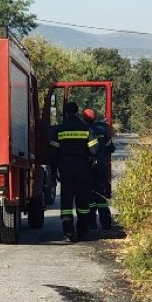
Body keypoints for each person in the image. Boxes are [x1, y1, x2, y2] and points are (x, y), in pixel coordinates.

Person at [49, 101, 98, 241]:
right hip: (82, 168)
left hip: (66, 168)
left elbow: (53, 153)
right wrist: (91, 161)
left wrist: (53, 171)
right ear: (77, 112)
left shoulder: (59, 130)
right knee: (82, 201)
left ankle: (68, 232)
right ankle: (82, 229)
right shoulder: (86, 128)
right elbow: (94, 149)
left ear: (65, 113)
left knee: (66, 201)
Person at [82, 108, 116, 229]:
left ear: (83, 118)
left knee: (89, 196)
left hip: (88, 168)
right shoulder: (103, 130)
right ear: (95, 117)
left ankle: (91, 223)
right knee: (101, 195)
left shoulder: (83, 131)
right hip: (101, 166)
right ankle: (106, 223)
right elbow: (111, 148)